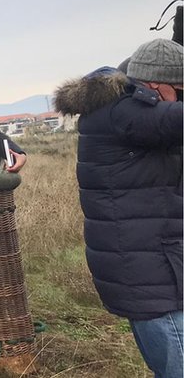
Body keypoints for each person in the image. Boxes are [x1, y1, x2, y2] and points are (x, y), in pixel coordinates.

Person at [54, 38, 183, 378]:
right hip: (150, 271)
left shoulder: (120, 109)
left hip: (150, 263)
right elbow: (172, 121)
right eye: (179, 89)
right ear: (155, 84)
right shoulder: (125, 113)